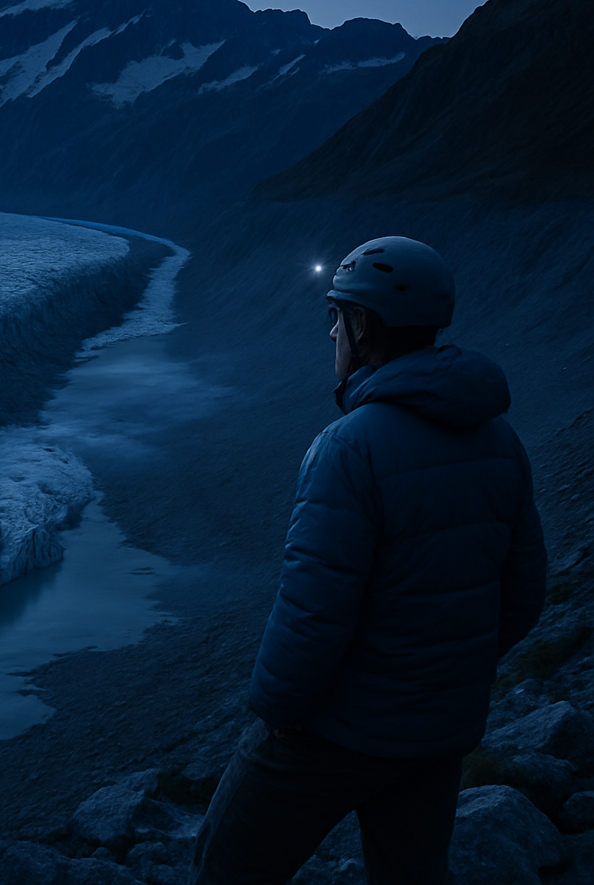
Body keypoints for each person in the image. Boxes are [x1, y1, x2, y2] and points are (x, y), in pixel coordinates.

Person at [189, 236, 546, 885]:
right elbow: (524, 595)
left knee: (226, 865)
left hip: (334, 736)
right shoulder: (501, 440)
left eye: (338, 315)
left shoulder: (348, 448)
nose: (330, 332)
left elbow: (311, 617)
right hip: (437, 734)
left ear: (363, 324)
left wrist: (275, 716)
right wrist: (442, 674)